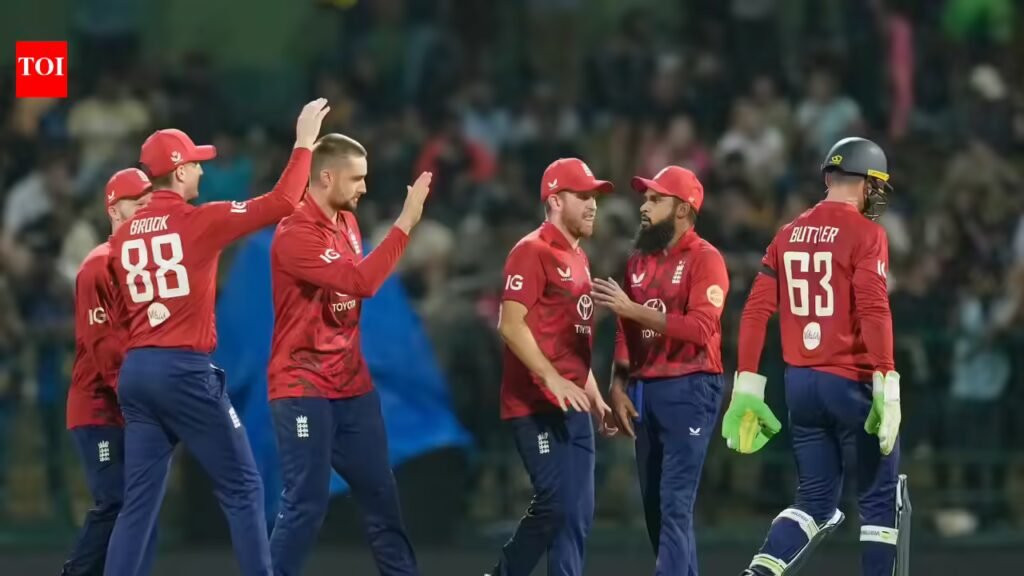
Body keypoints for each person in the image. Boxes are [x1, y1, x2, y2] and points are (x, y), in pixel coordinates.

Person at [104, 99, 330, 576]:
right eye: (195, 164)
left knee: (138, 505)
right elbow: (283, 202)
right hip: (183, 370)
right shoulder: (199, 220)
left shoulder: (121, 238)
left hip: (137, 372)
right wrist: (304, 144)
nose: (202, 171)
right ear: (178, 171)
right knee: (244, 486)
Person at [723, 137, 908, 576]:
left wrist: (746, 384)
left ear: (828, 177)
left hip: (801, 385)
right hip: (851, 382)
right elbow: (873, 308)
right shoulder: (868, 233)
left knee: (813, 501)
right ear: (868, 183)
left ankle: (759, 572)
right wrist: (886, 378)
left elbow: (755, 311)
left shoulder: (787, 233)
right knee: (879, 500)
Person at [266, 132, 432, 576]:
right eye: (356, 178)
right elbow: (361, 283)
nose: (364, 187)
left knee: (381, 495)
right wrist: (405, 223)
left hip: (352, 385)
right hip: (302, 385)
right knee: (306, 502)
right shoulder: (295, 233)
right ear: (326, 177)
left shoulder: (348, 224)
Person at [592, 166, 729, 576]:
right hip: (645, 389)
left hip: (691, 384)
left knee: (674, 502)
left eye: (655, 199)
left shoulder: (706, 259)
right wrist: (618, 385)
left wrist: (632, 310)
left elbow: (701, 329)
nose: (644, 206)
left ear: (683, 209)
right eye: (645, 198)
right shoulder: (638, 261)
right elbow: (625, 327)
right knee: (655, 506)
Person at [487, 158, 616, 576]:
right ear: (556, 200)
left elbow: (570, 344)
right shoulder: (532, 251)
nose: (593, 205)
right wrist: (551, 377)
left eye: (595, 197)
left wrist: (595, 398)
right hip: (536, 405)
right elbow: (510, 324)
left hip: (573, 406)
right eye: (584, 196)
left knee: (577, 515)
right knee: (555, 502)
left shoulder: (579, 259)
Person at [62, 168, 153, 576]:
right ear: (114, 210)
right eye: (138, 205)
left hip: (127, 407)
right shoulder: (99, 265)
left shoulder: (144, 266)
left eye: (150, 205)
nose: (146, 212)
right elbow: (104, 349)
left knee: (138, 508)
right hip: (98, 409)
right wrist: (143, 399)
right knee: (114, 500)